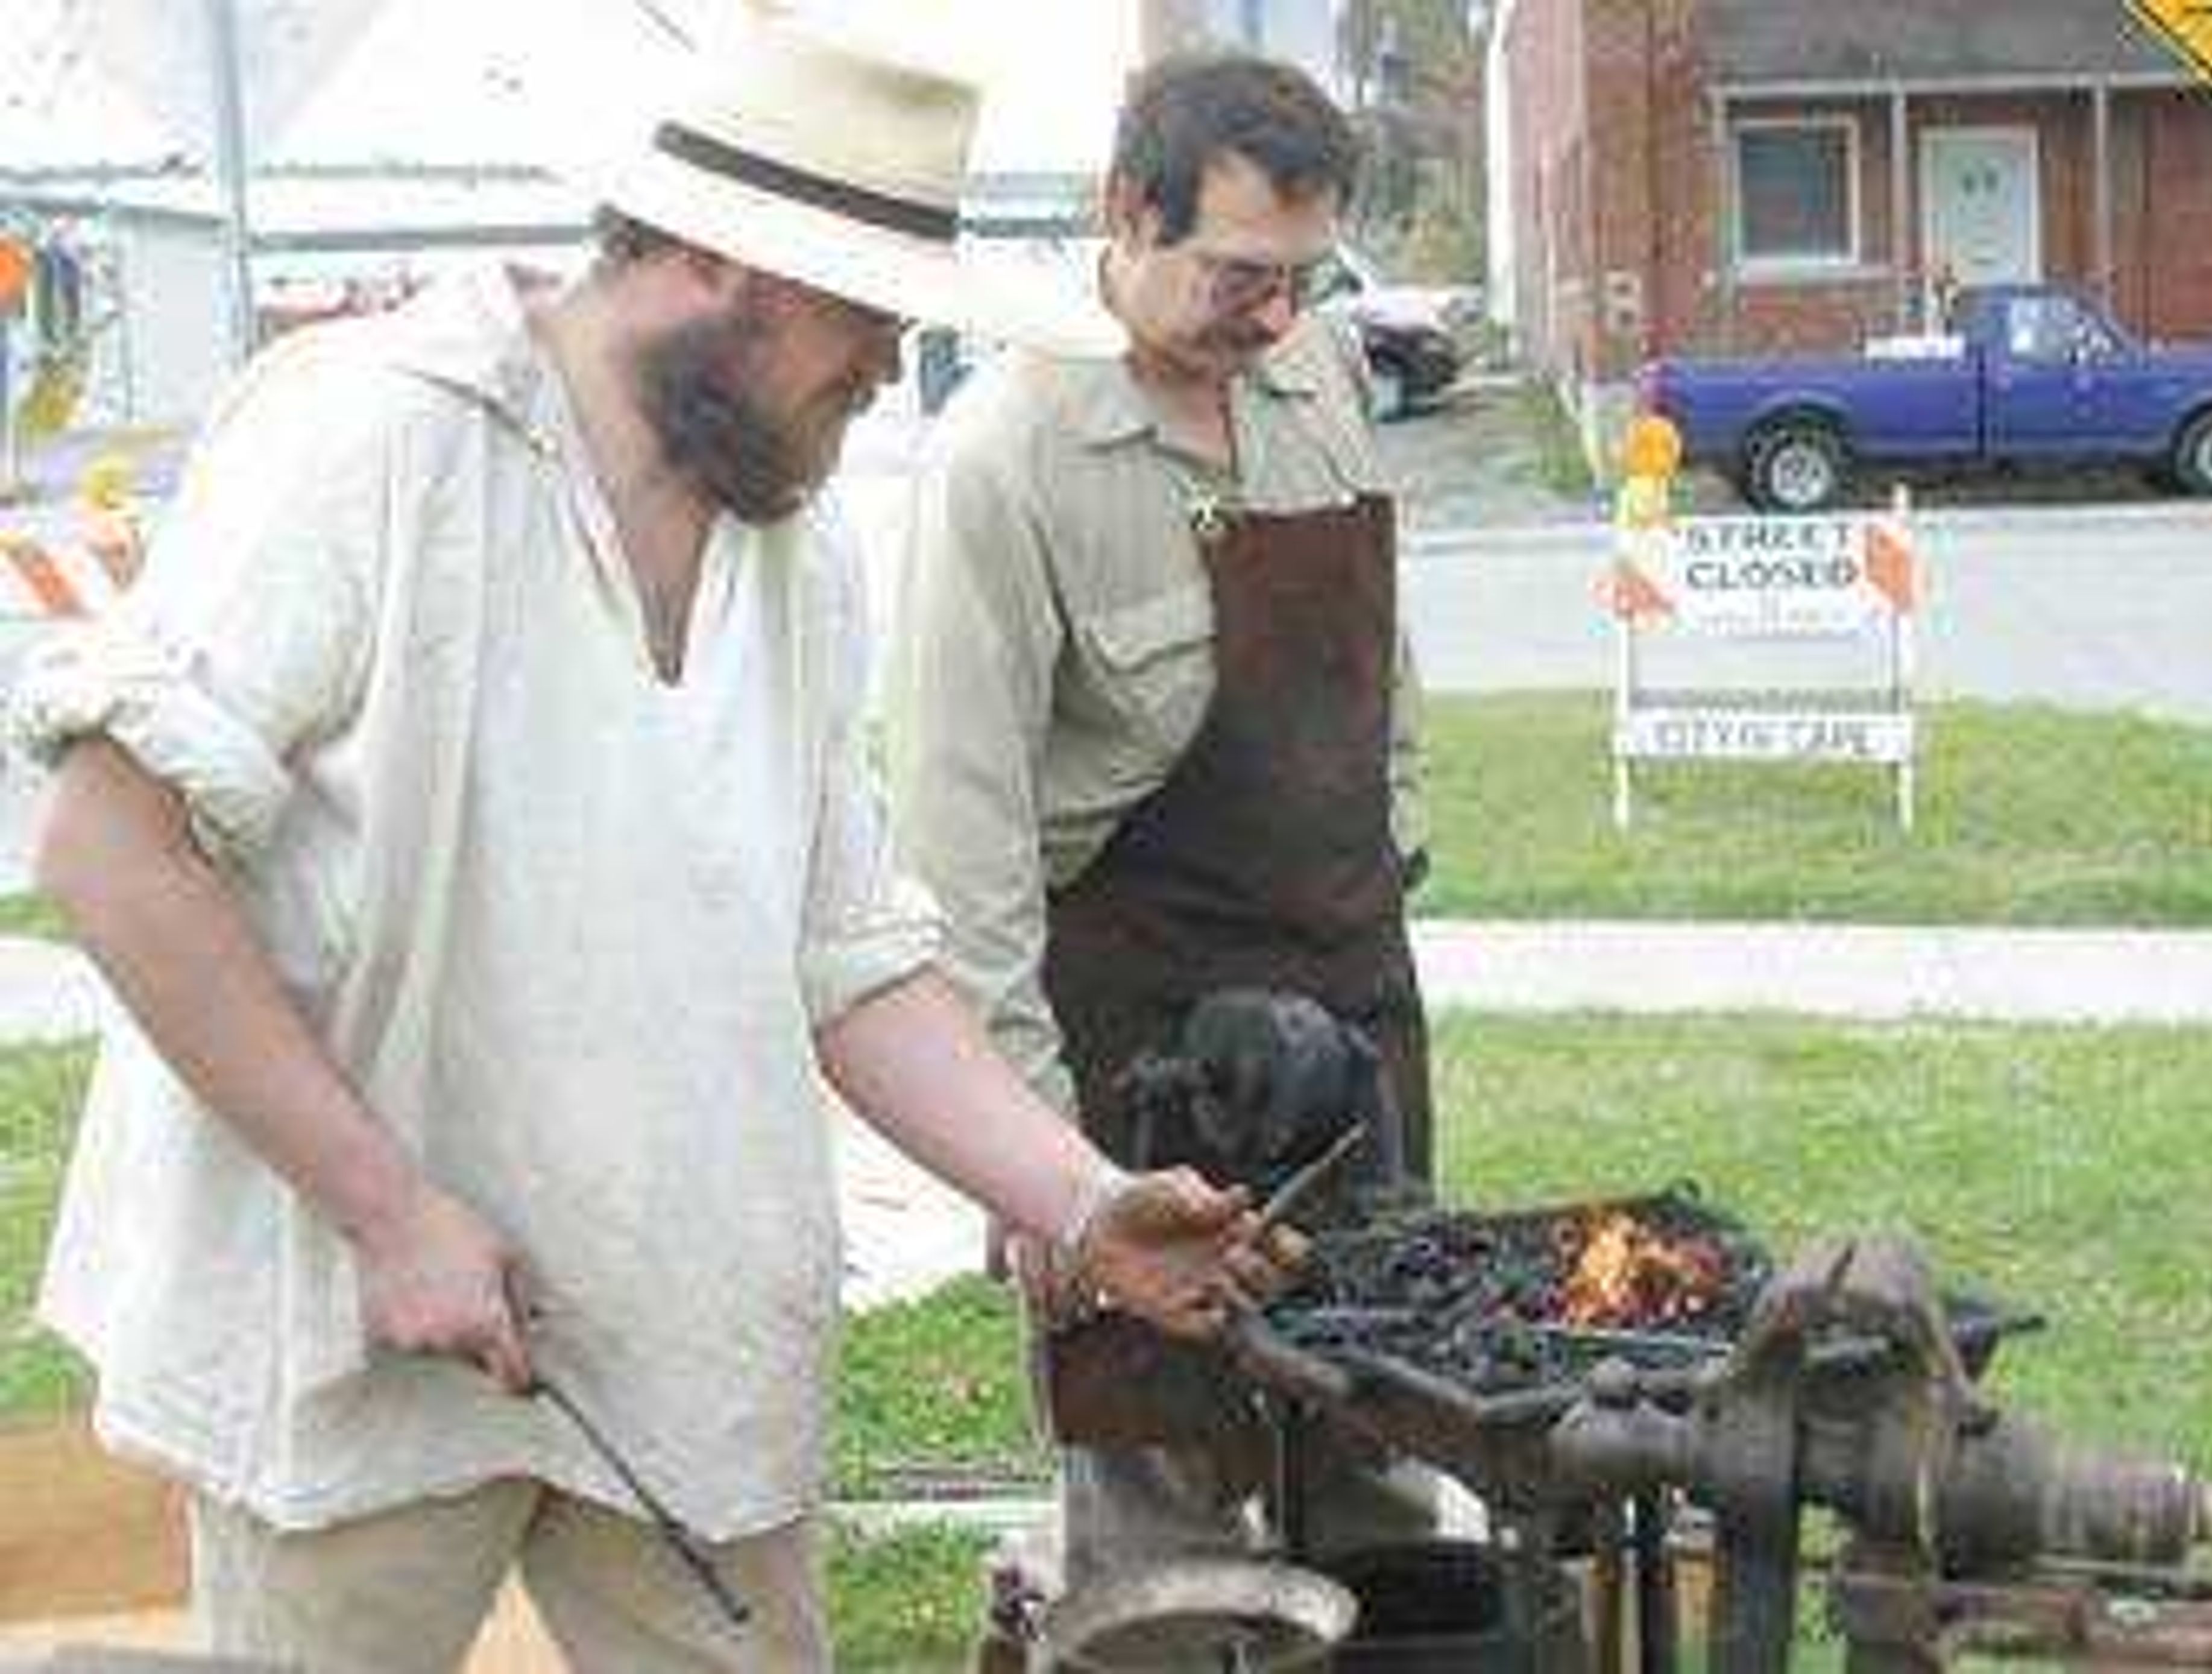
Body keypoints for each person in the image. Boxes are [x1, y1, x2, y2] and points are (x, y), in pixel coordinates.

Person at [7, 13, 1285, 1673]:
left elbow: (849, 964)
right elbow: (115, 857)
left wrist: (1087, 1199)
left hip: (684, 1339)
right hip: (347, 1329)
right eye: (866, 315)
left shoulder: (798, 552)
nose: (887, 367)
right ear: (719, 264)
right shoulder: (373, 435)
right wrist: (391, 1213)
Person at [889, 49, 1434, 1594]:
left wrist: (1388, 856)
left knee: (1386, 1425)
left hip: (1352, 1008)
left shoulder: (1313, 373)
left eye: (1301, 278)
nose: (1274, 317)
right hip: (1138, 1042)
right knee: (1161, 1505)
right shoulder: (1006, 461)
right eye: (1241, 275)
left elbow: (1380, 666)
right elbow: (962, 834)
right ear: (1127, 212)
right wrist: (1035, 1161)